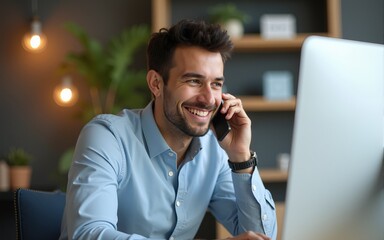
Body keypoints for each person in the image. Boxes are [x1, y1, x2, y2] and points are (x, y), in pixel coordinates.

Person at [59, 19, 277, 240]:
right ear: (156, 83)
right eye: (194, 80)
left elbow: (262, 236)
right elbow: (89, 234)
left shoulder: (215, 150)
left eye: (216, 84)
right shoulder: (107, 137)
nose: (209, 99)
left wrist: (241, 158)